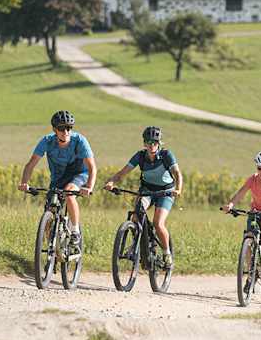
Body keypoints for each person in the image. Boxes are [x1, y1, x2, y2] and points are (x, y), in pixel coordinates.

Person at [103, 126, 183, 267]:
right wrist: (111, 182)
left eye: (155, 142)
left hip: (165, 193)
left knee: (158, 224)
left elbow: (177, 173)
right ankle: (137, 245)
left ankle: (166, 253)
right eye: (148, 142)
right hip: (147, 190)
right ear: (144, 143)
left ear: (159, 143)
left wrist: (178, 189)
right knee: (136, 215)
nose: (152, 145)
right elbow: (123, 172)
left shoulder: (166, 155)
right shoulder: (140, 156)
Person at [18, 110, 97, 249]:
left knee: (68, 192)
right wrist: (24, 183)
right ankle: (52, 250)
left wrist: (89, 187)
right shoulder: (47, 141)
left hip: (79, 174)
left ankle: (75, 232)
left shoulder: (79, 141)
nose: (66, 131)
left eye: (69, 128)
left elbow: (92, 167)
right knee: (49, 212)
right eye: (61, 128)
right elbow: (31, 164)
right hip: (58, 178)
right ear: (54, 129)